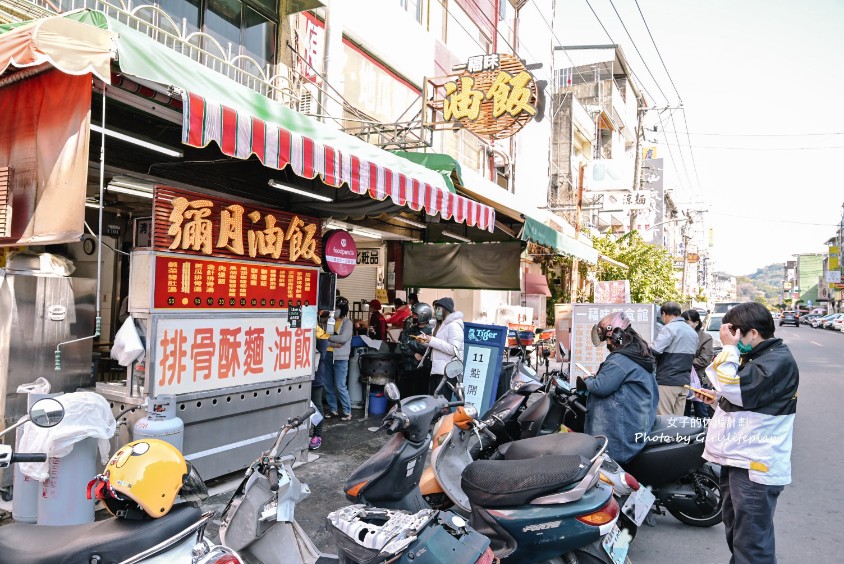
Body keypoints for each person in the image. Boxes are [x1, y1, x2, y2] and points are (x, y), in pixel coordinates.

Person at [695, 302, 798, 564]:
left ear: (752, 333)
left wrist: (729, 349)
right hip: (740, 459)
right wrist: (716, 400)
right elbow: (748, 402)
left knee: (751, 545)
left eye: (735, 333)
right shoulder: (761, 358)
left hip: (755, 465)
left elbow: (736, 389)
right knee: (739, 535)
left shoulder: (776, 361)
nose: (733, 340)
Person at [580, 311, 659, 464]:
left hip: (623, 433)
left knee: (604, 462)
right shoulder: (637, 352)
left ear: (617, 336)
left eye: (608, 339)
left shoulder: (620, 359)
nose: (608, 344)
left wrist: (588, 379)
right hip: (638, 421)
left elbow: (600, 387)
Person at [650, 301, 698, 416]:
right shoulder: (692, 332)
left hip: (667, 381)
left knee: (664, 420)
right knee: (677, 422)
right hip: (684, 383)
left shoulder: (669, 328)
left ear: (664, 314)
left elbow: (655, 350)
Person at [417, 297, 464, 395]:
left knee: (442, 405)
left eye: (439, 309)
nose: (436, 311)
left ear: (446, 310)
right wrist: (424, 341)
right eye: (435, 309)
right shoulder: (440, 325)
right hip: (436, 370)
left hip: (446, 372)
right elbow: (437, 345)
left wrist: (432, 340)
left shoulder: (454, 325)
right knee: (434, 403)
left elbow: (454, 349)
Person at [681, 309, 715, 419]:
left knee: (701, 412)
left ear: (696, 323)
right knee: (684, 413)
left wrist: (684, 361)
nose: (684, 324)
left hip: (700, 379)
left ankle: (705, 435)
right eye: (682, 322)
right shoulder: (681, 336)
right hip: (684, 379)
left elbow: (704, 360)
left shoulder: (705, 338)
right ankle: (685, 436)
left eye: (687, 322)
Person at [324, 297, 353, 421]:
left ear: (343, 310)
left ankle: (347, 411)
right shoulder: (328, 321)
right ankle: (333, 409)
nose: (334, 311)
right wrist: (333, 342)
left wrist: (328, 338)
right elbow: (322, 337)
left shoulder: (347, 323)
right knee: (328, 385)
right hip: (327, 355)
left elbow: (343, 339)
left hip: (341, 358)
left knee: (340, 385)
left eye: (337, 309)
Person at [397, 302, 434, 397]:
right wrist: (414, 354)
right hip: (407, 368)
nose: (413, 316)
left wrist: (410, 342)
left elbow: (424, 347)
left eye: (415, 315)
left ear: (423, 315)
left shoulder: (431, 331)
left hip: (422, 371)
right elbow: (403, 346)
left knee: (419, 398)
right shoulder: (409, 330)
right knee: (404, 397)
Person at [310, 323, 330, 450]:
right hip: (302, 376)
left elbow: (321, 355)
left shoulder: (320, 333)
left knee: (316, 406)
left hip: (316, 378)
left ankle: (317, 435)